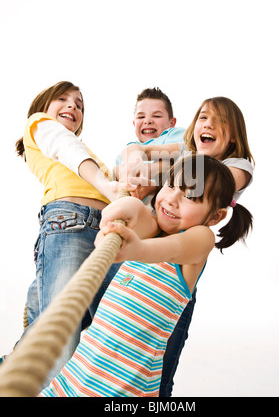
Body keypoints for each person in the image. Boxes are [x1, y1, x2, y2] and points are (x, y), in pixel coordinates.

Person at [39, 154, 253, 397]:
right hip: (73, 377)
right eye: (171, 185)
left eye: (191, 196)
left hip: (123, 390)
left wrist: (136, 249)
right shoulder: (152, 229)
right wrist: (122, 209)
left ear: (216, 216)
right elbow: (138, 215)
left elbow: (171, 248)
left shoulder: (201, 239)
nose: (172, 200)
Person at [115, 96, 254, 396]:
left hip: (181, 259)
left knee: (162, 353)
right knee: (117, 328)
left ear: (233, 137)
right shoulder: (184, 153)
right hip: (142, 250)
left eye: (220, 122)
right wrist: (136, 160)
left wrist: (158, 175)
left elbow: (207, 179)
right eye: (203, 117)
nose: (208, 124)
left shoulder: (236, 165)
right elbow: (135, 150)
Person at [13, 81, 134, 382]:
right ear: (44, 106)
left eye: (79, 105)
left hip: (106, 232)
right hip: (70, 222)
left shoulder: (91, 157)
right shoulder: (40, 125)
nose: (73, 106)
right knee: (64, 341)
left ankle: (35, 312)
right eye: (63, 99)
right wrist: (107, 185)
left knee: (97, 325)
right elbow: (66, 146)